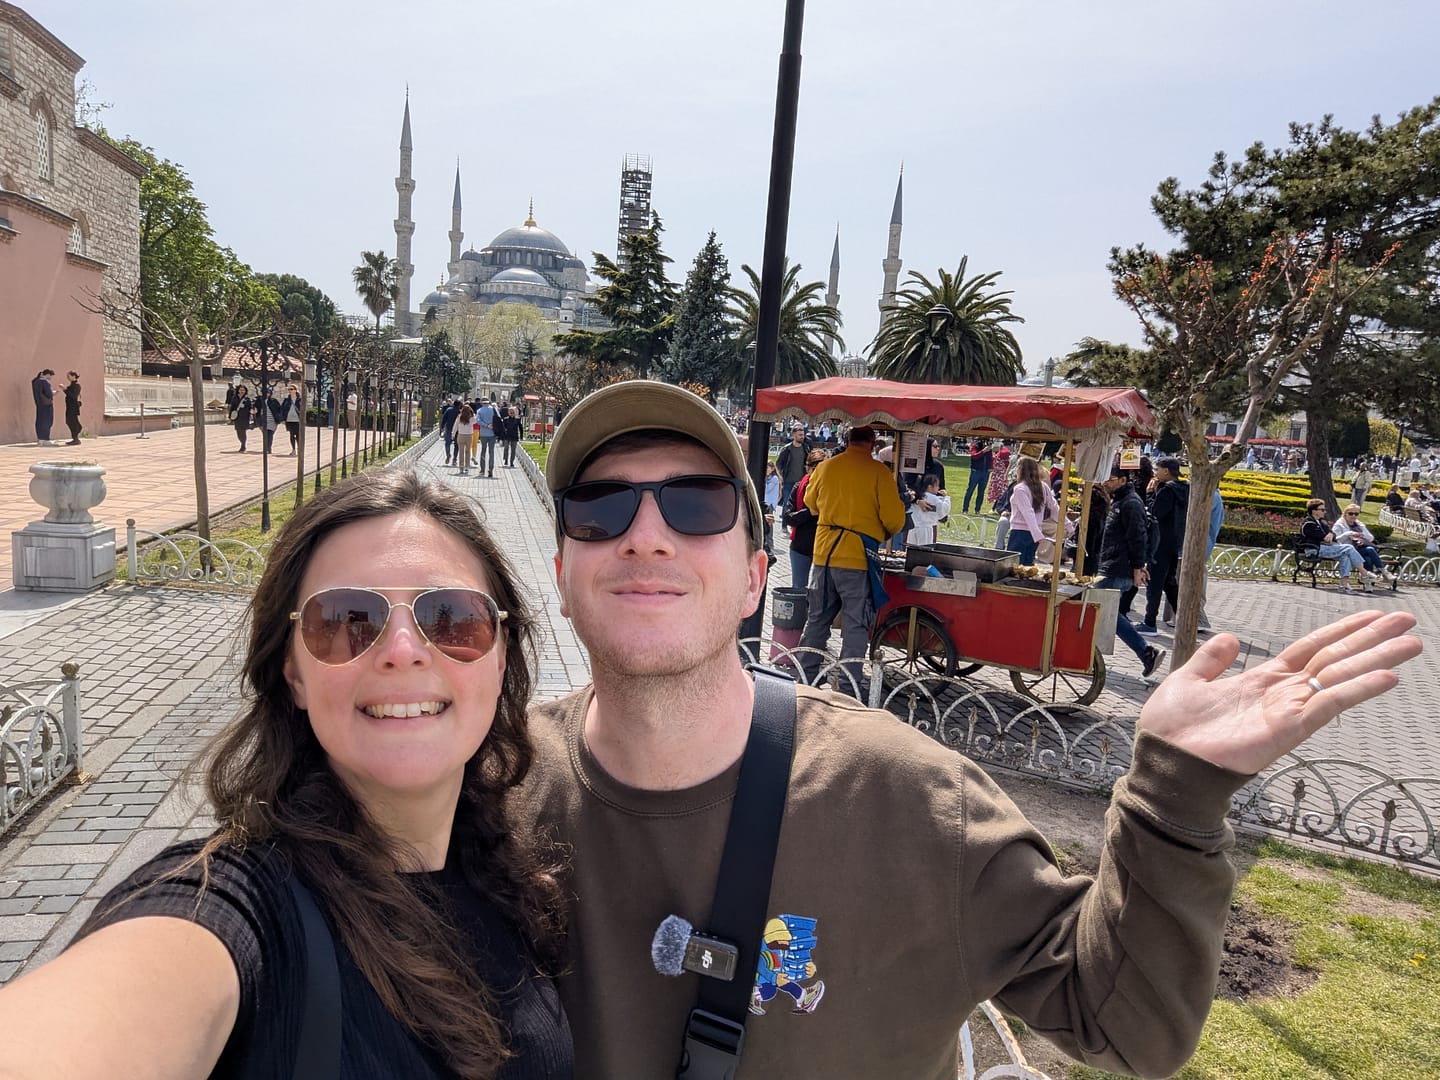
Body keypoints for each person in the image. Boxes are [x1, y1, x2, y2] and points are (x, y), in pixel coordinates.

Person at [514, 379, 1422, 1079]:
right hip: (854, 564)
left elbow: (1129, 1023)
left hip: (828, 567)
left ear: (754, 576)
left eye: (695, 504)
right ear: (559, 571)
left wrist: (1175, 793)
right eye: (600, 509)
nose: (645, 537)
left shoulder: (906, 799)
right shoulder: (496, 790)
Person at [0, 472, 573, 1079]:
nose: (403, 648)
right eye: (346, 618)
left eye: (452, 617)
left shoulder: (513, 874)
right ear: (293, 672)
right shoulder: (234, 908)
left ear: (501, 653)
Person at [793, 424, 907, 693]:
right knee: (855, 625)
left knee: (817, 619)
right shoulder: (879, 472)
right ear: (872, 444)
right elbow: (894, 519)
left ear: (848, 440)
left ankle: (805, 679)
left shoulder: (826, 467)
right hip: (856, 559)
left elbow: (811, 503)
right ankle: (848, 686)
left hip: (823, 556)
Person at [1095, 462, 1166, 679]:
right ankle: (1144, 652)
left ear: (1123, 480)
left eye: (1111, 478)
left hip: (1118, 568)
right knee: (1105, 612)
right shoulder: (1120, 500)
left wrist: (1137, 567)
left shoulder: (1131, 503)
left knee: (1101, 610)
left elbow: (1137, 538)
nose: (1106, 482)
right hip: (1112, 565)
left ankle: (1146, 651)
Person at [1138, 457, 1188, 635]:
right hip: (1175, 541)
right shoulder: (1185, 488)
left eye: (1157, 469)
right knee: (1169, 583)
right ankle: (1185, 620)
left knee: (1155, 582)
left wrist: (1150, 494)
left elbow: (1155, 513)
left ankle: (1150, 622)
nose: (1155, 472)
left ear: (1166, 471)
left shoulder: (1167, 490)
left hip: (1161, 542)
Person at [1301, 498, 1371, 591]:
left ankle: (1344, 584)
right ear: (1314, 511)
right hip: (1314, 549)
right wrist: (1328, 535)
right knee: (1349, 548)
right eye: (1322, 510)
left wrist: (1330, 534)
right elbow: (1322, 537)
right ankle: (1364, 573)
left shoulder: (1321, 522)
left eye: (1324, 509)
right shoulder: (1309, 523)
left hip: (1326, 547)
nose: (1324, 512)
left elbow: (1332, 535)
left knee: (1345, 556)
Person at [784, 448, 826, 590]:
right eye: (815, 468)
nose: (819, 473)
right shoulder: (798, 487)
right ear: (807, 468)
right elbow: (788, 517)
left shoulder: (832, 490)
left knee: (821, 591)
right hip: (801, 547)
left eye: (823, 468)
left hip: (825, 548)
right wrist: (809, 512)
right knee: (799, 589)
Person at [1005, 455, 1058, 566]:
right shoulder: (1043, 486)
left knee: (1013, 568)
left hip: (1020, 532)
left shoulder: (1020, 488)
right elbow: (1054, 507)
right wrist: (1068, 525)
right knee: (1027, 567)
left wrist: (1038, 535)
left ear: (1021, 470)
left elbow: (1028, 513)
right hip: (1033, 533)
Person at [1333, 504, 1396, 582]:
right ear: (1345, 513)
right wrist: (1348, 534)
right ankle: (1382, 573)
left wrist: (1362, 535)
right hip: (1347, 550)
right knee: (1368, 554)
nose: (1353, 516)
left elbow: (1371, 537)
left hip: (1360, 548)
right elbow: (1335, 539)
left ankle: (1368, 580)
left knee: (1368, 555)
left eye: (1356, 514)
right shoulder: (1339, 525)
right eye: (1350, 513)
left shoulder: (1359, 524)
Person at [775, 425, 813, 512]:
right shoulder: (787, 449)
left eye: (803, 435)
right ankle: (784, 524)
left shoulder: (805, 448)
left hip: (801, 482)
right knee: (786, 503)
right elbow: (778, 464)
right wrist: (780, 477)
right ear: (794, 435)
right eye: (800, 435)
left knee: (800, 504)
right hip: (788, 481)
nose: (802, 437)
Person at [906, 473, 951, 547]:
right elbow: (944, 510)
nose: (938, 488)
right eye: (936, 485)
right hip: (925, 529)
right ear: (930, 487)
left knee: (911, 549)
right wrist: (946, 498)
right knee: (924, 551)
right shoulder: (935, 499)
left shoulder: (918, 497)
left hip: (913, 528)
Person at [963, 439, 992, 514]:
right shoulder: (974, 445)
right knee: (970, 490)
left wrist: (990, 467)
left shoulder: (988, 446)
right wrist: (983, 451)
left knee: (981, 492)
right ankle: (965, 509)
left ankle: (977, 510)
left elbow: (990, 457)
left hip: (985, 472)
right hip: (976, 471)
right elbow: (974, 456)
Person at [31, 368, 55, 445]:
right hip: (46, 405)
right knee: (47, 421)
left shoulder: (35, 381)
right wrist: (53, 393)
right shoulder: (45, 382)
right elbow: (49, 394)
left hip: (39, 404)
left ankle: (40, 438)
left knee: (39, 420)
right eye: (51, 376)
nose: (51, 378)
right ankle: (45, 438)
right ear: (48, 374)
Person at [986, 442, 1012, 509]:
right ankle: (997, 507)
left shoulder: (1003, 453)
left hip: (1000, 476)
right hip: (996, 475)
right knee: (998, 491)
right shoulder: (999, 453)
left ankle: (997, 507)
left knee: (1001, 492)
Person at [477, 399, 499, 478]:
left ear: (482, 403)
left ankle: (482, 469)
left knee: (483, 450)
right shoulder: (494, 409)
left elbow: (478, 421)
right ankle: (490, 469)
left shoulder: (479, 410)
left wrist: (486, 425)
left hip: (483, 433)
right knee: (491, 452)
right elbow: (498, 419)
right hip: (492, 433)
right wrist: (492, 425)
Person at [452, 404, 476, 475]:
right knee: (468, 451)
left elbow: (455, 426)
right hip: (469, 435)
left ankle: (461, 467)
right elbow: (476, 421)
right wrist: (473, 413)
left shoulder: (459, 417)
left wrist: (453, 434)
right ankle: (467, 466)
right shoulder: (472, 418)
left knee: (461, 452)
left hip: (461, 435)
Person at [63, 370, 83, 445]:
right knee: (69, 421)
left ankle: (76, 438)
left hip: (73, 407)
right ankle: (75, 436)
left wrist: (65, 389)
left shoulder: (77, 385)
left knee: (72, 421)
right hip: (69, 406)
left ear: (74, 376)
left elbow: (73, 396)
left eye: (69, 376)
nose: (68, 377)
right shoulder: (72, 385)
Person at [440, 397, 462, 466]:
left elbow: (444, 418)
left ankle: (448, 455)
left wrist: (442, 426)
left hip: (449, 428)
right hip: (458, 430)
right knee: (457, 445)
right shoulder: (460, 411)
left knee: (447, 443)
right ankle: (454, 459)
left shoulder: (449, 410)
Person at [231, 385, 253, 452]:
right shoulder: (235, 398)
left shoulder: (247, 399)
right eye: (240, 390)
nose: (242, 391)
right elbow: (232, 407)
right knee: (238, 432)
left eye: (243, 390)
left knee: (243, 432)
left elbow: (250, 407)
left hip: (244, 417)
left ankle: (243, 445)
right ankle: (242, 442)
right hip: (237, 417)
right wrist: (231, 417)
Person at [283, 385, 301, 454]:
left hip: (298, 420)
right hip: (289, 419)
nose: (290, 391)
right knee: (292, 435)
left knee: (298, 435)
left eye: (291, 389)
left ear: (295, 390)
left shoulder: (300, 399)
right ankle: (293, 449)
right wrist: (283, 418)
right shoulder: (287, 400)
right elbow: (283, 409)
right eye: (289, 389)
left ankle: (299, 449)